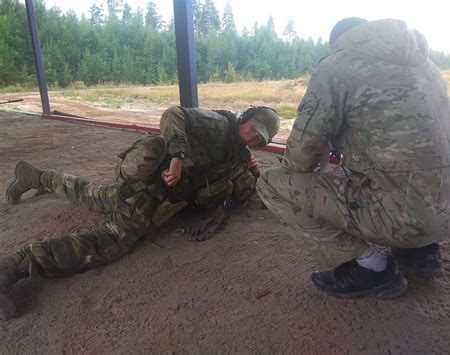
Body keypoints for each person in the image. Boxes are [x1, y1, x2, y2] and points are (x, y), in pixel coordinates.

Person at [257, 18, 450, 299]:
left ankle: (369, 268)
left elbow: (299, 160)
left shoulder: (335, 66)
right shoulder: (427, 65)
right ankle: (421, 251)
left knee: (272, 184)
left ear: (336, 44)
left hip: (408, 217)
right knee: (407, 170)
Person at [0, 105, 280, 320]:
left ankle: (33, 176)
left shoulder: (239, 155)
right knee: (109, 242)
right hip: (148, 191)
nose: (254, 137)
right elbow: (173, 114)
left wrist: (252, 174)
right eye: (253, 129)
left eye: (260, 138)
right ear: (246, 117)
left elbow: (239, 194)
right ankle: (14, 264)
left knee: (90, 193)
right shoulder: (218, 125)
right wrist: (178, 158)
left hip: (164, 202)